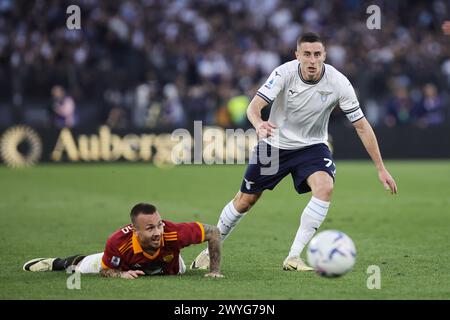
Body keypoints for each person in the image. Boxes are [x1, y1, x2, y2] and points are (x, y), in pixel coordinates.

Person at [191, 32, 398, 272]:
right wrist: (259, 124)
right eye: (307, 54)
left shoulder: (339, 82)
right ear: (297, 55)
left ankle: (293, 256)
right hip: (274, 145)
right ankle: (210, 250)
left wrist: (381, 168)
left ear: (325, 55)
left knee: (325, 187)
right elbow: (254, 107)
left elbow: (362, 126)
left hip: (312, 146)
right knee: (245, 201)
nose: (312, 60)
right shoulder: (283, 73)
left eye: (317, 54)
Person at [23, 203, 223, 279]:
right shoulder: (118, 243)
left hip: (167, 265)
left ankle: (201, 263)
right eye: (150, 228)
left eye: (159, 225)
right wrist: (121, 275)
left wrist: (215, 271)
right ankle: (57, 263)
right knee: (81, 269)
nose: (158, 232)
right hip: (123, 264)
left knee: (183, 270)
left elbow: (213, 232)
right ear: (135, 231)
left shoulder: (172, 233)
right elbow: (105, 271)